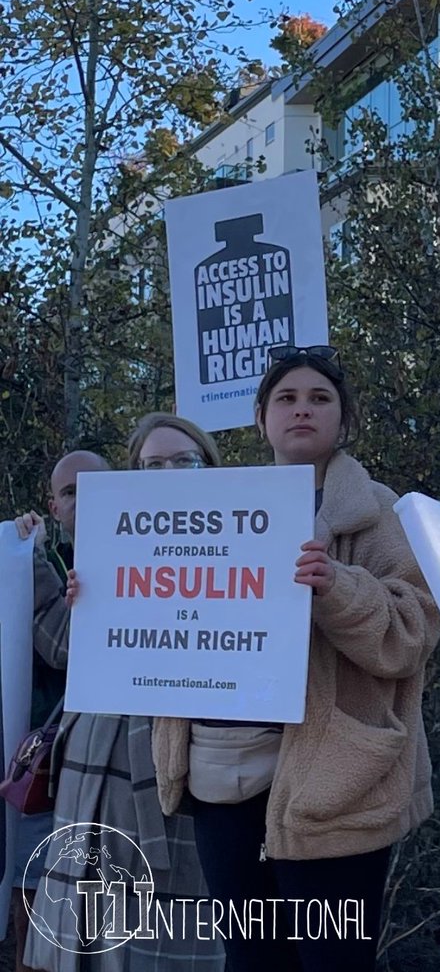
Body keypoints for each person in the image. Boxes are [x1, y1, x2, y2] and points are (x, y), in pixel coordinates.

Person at [153, 344, 440, 972]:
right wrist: (102, 596)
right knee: (252, 960)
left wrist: (338, 588)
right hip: (222, 774)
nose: (301, 410)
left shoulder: (381, 516)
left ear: (343, 419)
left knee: (330, 964)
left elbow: (412, 635)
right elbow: (169, 615)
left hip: (334, 783)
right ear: (261, 419)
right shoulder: (207, 511)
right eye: (285, 398)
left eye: (319, 398)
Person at [22, 415, 222, 972]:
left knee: (157, 944)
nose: (168, 474)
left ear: (210, 468)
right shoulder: (105, 554)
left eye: (184, 461)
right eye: (153, 465)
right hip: (92, 767)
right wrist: (75, 599)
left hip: (180, 774)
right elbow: (66, 647)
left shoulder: (249, 543)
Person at [9, 451, 109, 972]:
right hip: (46, 765)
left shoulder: (149, 557)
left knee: (106, 921)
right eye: (71, 492)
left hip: (116, 770)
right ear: (54, 506)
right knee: (35, 919)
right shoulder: (37, 560)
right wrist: (24, 553)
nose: (84, 500)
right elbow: (59, 649)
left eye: (95, 487)